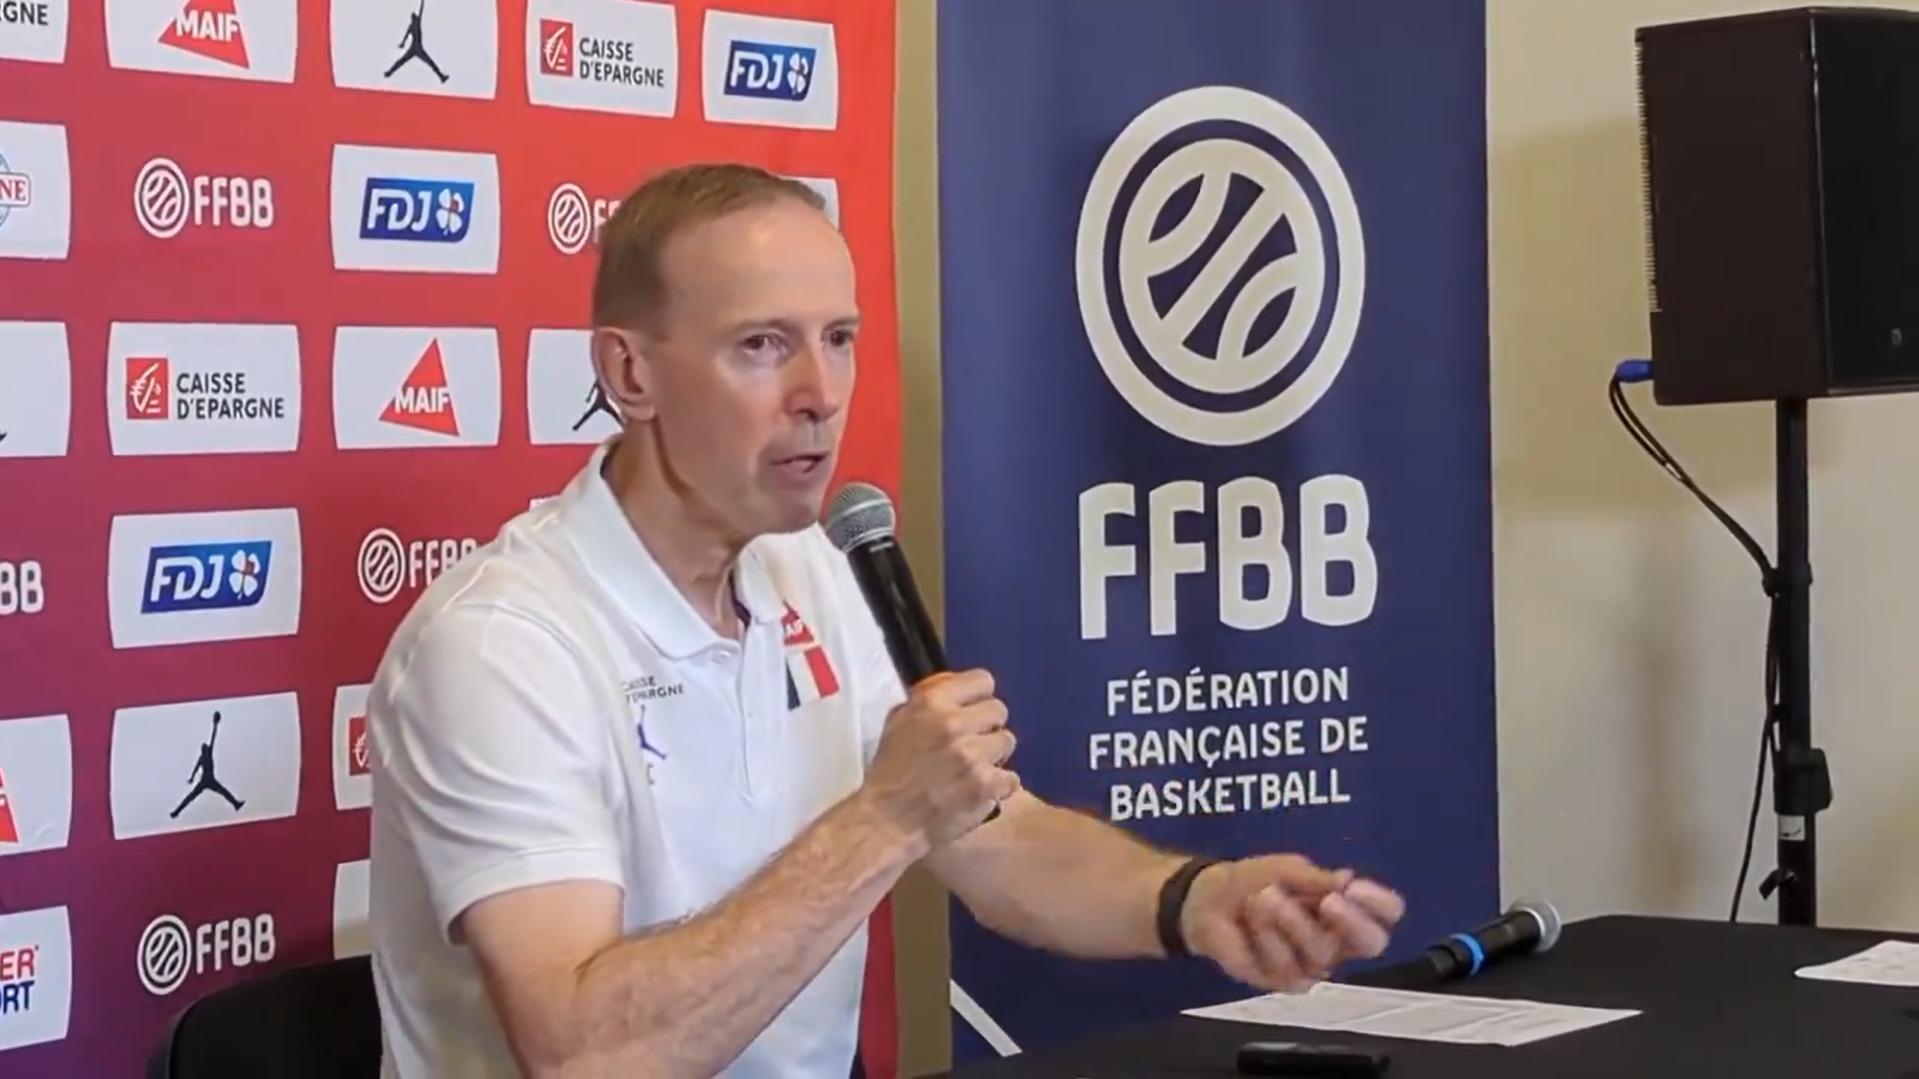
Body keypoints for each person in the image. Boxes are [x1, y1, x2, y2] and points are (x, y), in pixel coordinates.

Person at [365, 163, 1405, 1079]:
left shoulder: (807, 569)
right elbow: (587, 1056)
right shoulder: (500, 645)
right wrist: (887, 814)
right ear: (629, 373)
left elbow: (997, 842)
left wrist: (1197, 899)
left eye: (839, 339)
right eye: (761, 345)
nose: (820, 393)